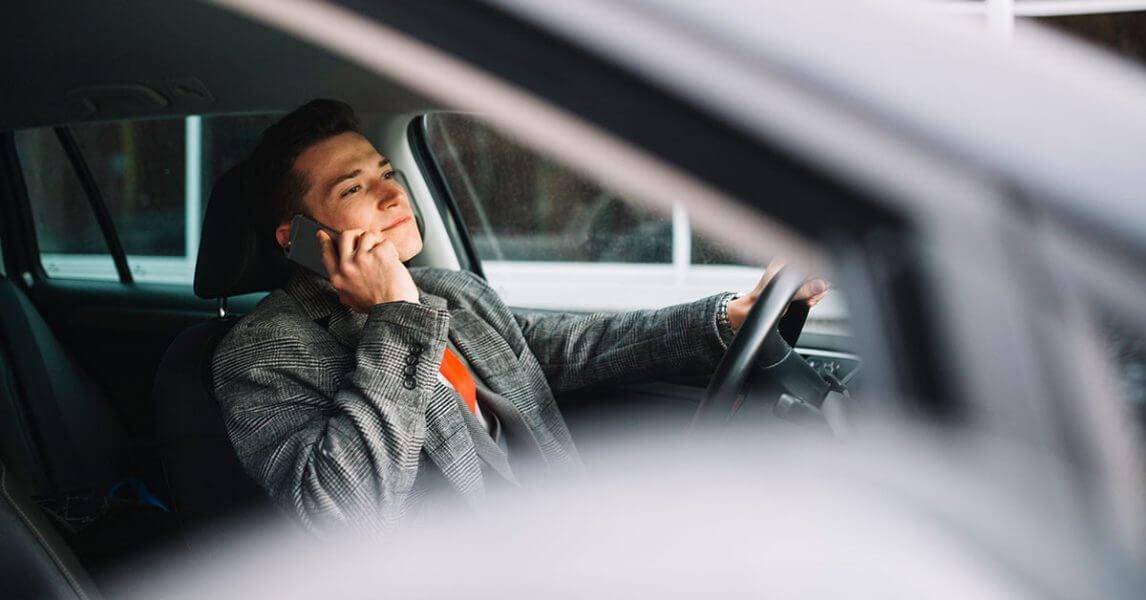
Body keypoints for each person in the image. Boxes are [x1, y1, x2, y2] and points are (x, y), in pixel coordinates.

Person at [212, 99, 828, 533]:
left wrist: (728, 317)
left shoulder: (451, 289)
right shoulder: (261, 353)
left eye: (387, 172)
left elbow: (572, 346)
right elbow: (343, 511)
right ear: (297, 238)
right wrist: (394, 315)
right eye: (353, 189)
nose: (395, 194)